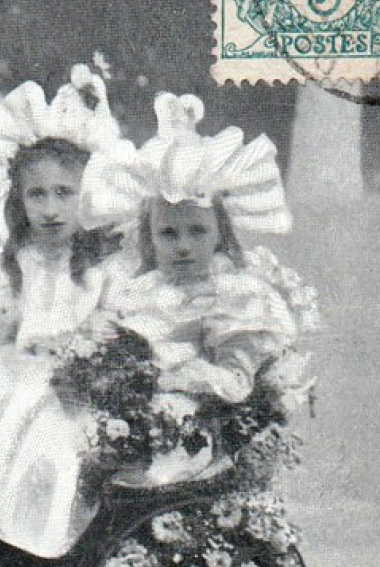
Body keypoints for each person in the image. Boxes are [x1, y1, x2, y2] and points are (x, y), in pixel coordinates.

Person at [0, 65, 136, 558]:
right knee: (2, 398)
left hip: (83, 386)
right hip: (15, 378)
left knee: (54, 424)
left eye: (64, 193)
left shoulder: (102, 266)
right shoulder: (4, 264)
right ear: (19, 199)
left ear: (85, 194)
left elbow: (116, 330)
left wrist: (78, 358)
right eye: (37, 194)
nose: (51, 209)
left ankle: (38, 544)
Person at [89, 92, 300, 484]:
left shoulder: (232, 294)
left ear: (220, 233)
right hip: (135, 425)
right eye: (168, 233)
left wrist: (175, 374)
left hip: (200, 434)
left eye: (197, 231)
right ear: (150, 238)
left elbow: (237, 383)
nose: (183, 245)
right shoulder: (137, 290)